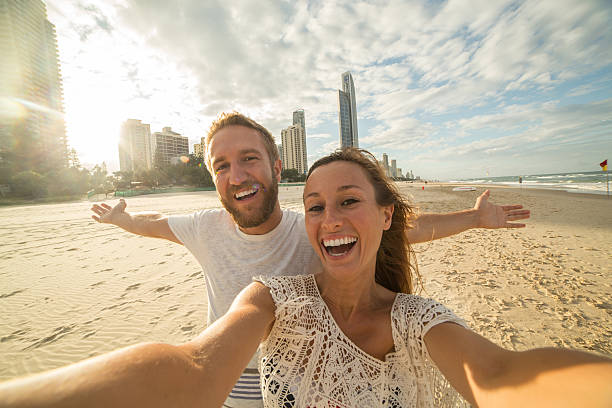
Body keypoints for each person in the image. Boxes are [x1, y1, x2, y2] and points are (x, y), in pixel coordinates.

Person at [1, 148, 609, 408]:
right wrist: (125, 219)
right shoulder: (270, 299)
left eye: (349, 201)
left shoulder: (420, 322)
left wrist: (475, 220)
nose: (329, 219)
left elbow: (500, 375)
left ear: (384, 214)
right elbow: (195, 366)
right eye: (316, 206)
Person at [89, 112, 530, 407]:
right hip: (232, 372)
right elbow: (154, 222)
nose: (237, 175)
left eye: (249, 159)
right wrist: (122, 219)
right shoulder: (204, 227)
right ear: (213, 179)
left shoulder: (315, 227)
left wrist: (472, 218)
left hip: (307, 372)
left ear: (277, 168)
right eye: (221, 166)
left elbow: (399, 229)